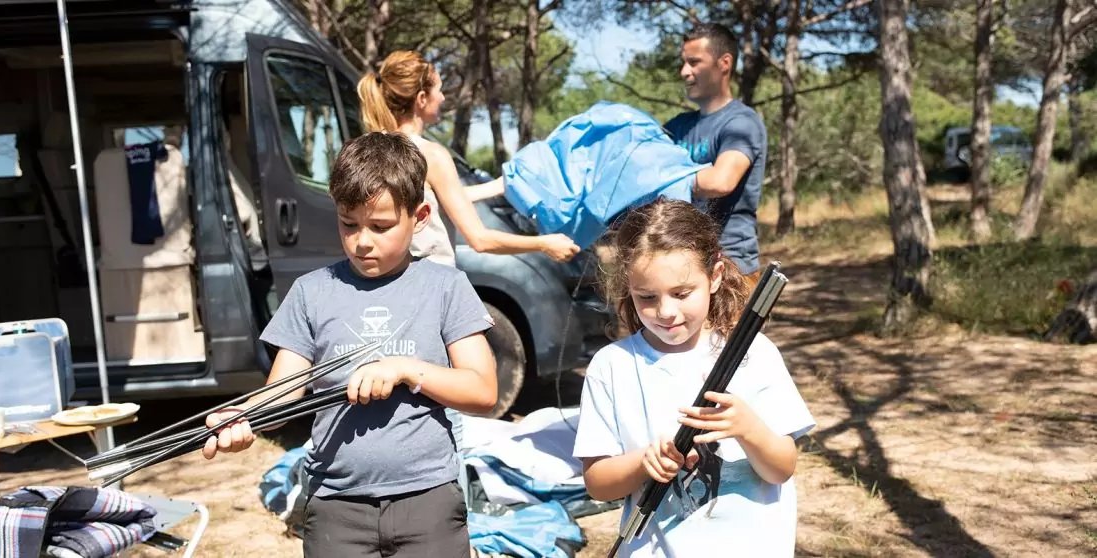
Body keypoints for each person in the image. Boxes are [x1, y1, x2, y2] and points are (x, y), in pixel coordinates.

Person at [201, 132, 499, 557]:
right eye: (348, 223)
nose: (362, 240)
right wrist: (244, 417)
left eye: (380, 227)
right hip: (335, 504)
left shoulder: (446, 287)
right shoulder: (312, 292)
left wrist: (404, 369)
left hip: (427, 498)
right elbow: (279, 396)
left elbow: (483, 391)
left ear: (420, 216)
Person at [573, 199, 814, 557]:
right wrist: (643, 462)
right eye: (647, 297)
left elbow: (781, 468)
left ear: (714, 276)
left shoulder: (755, 354)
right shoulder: (612, 367)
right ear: (628, 286)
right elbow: (597, 482)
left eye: (682, 294)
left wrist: (749, 429)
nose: (666, 312)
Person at [357, 50, 580, 267]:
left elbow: (435, 196)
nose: (443, 98)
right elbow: (480, 240)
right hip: (430, 287)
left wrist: (499, 185)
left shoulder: (370, 150)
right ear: (422, 98)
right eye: (439, 90)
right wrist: (544, 244)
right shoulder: (430, 155)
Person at [664, 23, 767, 282]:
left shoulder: (741, 122)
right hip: (683, 261)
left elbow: (721, 182)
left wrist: (662, 180)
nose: (684, 72)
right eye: (683, 63)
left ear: (724, 63)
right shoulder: (677, 126)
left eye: (694, 62)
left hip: (732, 265)